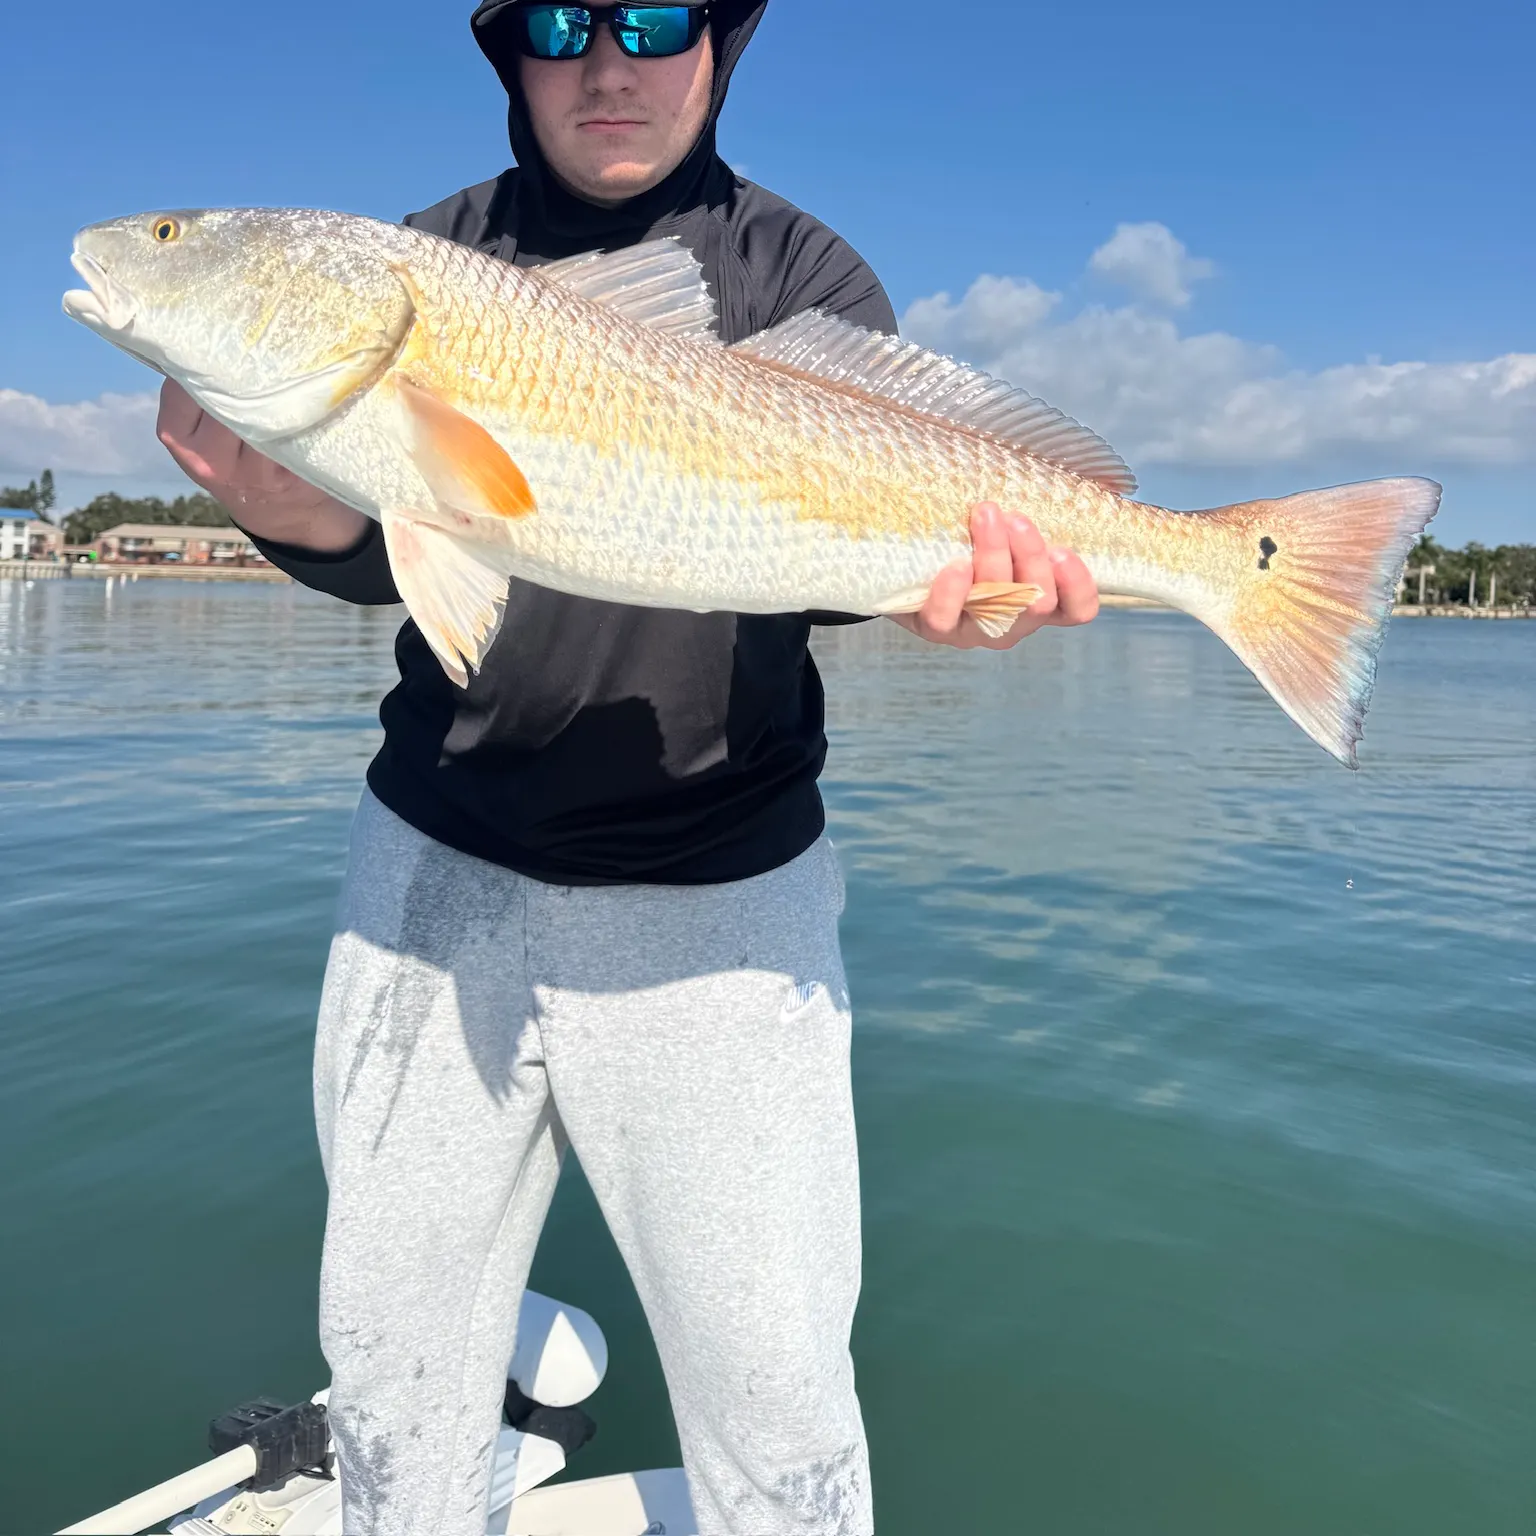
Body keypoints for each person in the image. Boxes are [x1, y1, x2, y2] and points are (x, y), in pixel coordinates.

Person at [156, 3, 1099, 1532]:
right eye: (557, 22)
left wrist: (971, 585)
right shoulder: (429, 260)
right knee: (390, 1363)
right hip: (431, 878)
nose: (608, 63)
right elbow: (396, 564)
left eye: (657, 17)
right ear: (510, 57)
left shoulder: (802, 273)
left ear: (718, 48)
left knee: (777, 1389)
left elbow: (826, 558)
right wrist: (294, 505)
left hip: (719, 905)